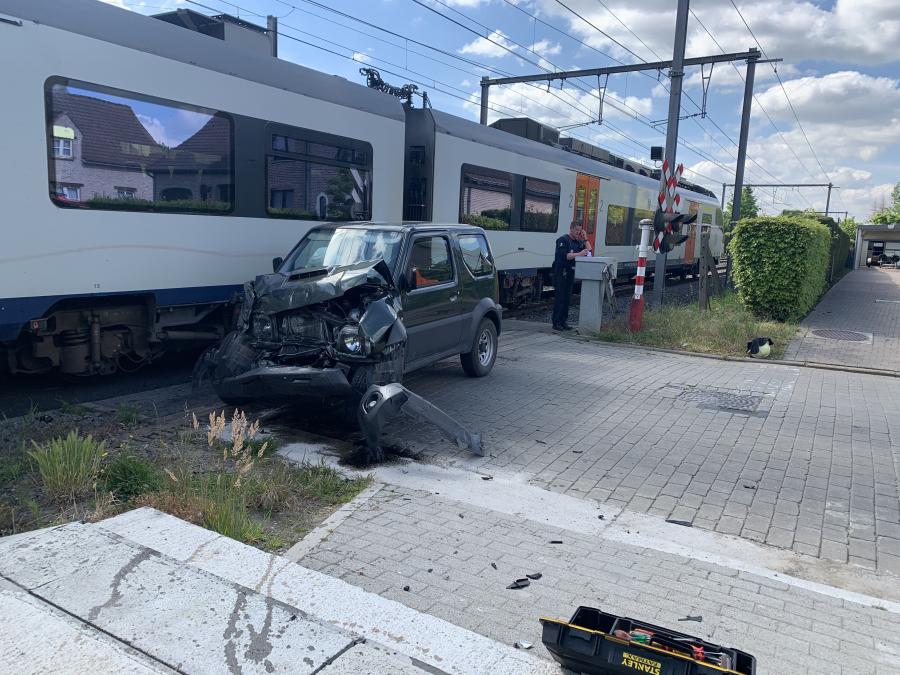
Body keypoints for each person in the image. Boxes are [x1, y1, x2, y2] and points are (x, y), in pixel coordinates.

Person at [551, 221, 591, 331]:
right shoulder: (563, 240)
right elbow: (566, 256)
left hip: (570, 273)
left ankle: (563, 321)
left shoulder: (577, 242)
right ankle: (556, 322)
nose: (578, 232)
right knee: (560, 298)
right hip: (561, 272)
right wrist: (579, 254)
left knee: (567, 298)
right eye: (577, 230)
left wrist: (585, 238)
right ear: (571, 229)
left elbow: (589, 251)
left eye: (580, 230)